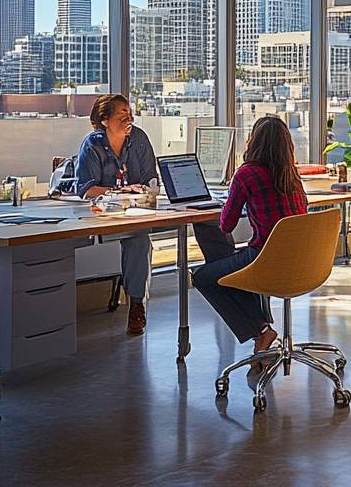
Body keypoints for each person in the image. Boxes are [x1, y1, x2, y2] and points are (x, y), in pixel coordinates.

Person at [75, 93, 236, 336]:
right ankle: (137, 305)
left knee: (210, 222)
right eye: (122, 115)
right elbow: (86, 190)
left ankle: (228, 283)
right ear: (104, 120)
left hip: (143, 208)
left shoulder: (138, 138)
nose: (129, 118)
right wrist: (121, 190)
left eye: (130, 113)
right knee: (138, 239)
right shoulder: (93, 145)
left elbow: (151, 180)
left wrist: (144, 191)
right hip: (108, 213)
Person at [192, 116, 308, 357]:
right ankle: (262, 328)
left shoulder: (247, 174)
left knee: (204, 276)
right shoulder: (292, 175)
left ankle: (261, 329)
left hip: (265, 261)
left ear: (253, 142)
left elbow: (226, 224)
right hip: (303, 263)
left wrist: (228, 201)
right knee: (230, 267)